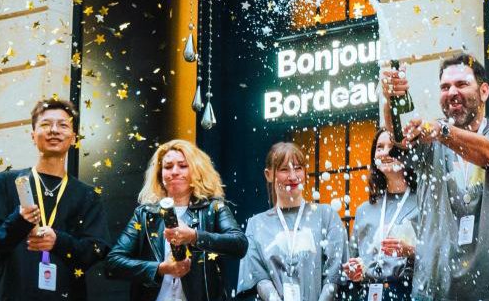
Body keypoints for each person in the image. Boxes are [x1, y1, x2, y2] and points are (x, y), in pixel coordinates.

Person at [381, 52, 489, 301]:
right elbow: (399, 138)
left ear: (484, 91)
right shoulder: (431, 137)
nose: (452, 92)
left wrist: (443, 131)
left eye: (461, 84)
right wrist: (390, 100)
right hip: (434, 291)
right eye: (445, 87)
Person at [0, 98, 111, 301]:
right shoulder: (7, 182)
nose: (54, 130)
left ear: (74, 138)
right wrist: (19, 220)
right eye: (46, 124)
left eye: (63, 125)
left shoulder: (87, 195)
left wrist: (59, 241)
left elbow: (97, 250)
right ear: (33, 135)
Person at [106, 139, 248, 301]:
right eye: (167, 167)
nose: (174, 172)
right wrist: (160, 269)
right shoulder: (145, 214)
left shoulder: (213, 208)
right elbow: (113, 263)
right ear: (160, 174)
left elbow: (240, 244)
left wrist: (194, 236)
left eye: (183, 165)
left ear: (196, 171)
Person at [238, 141, 349, 301]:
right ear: (268, 174)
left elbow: (334, 275)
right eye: (284, 169)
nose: (293, 176)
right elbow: (258, 278)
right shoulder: (256, 224)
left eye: (298, 168)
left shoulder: (327, 215)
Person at [344, 129, 420, 300]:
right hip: (367, 293)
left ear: (408, 153)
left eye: (392, 147)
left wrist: (410, 251)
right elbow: (354, 257)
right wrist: (354, 269)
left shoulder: (422, 203)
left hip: (408, 292)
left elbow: (436, 256)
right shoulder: (364, 210)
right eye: (380, 147)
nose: (385, 152)